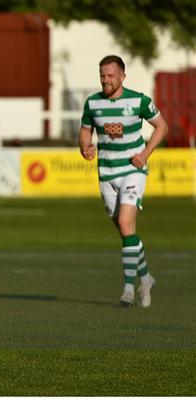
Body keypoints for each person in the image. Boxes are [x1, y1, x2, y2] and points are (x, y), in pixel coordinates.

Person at [79, 55, 168, 308]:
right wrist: (85, 148)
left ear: (122, 76)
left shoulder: (139, 100)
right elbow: (85, 132)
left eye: (110, 75)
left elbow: (162, 126)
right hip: (106, 174)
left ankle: (128, 289)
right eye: (102, 76)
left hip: (132, 170)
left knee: (126, 222)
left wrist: (144, 154)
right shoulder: (93, 103)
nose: (105, 80)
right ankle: (146, 277)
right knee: (126, 231)